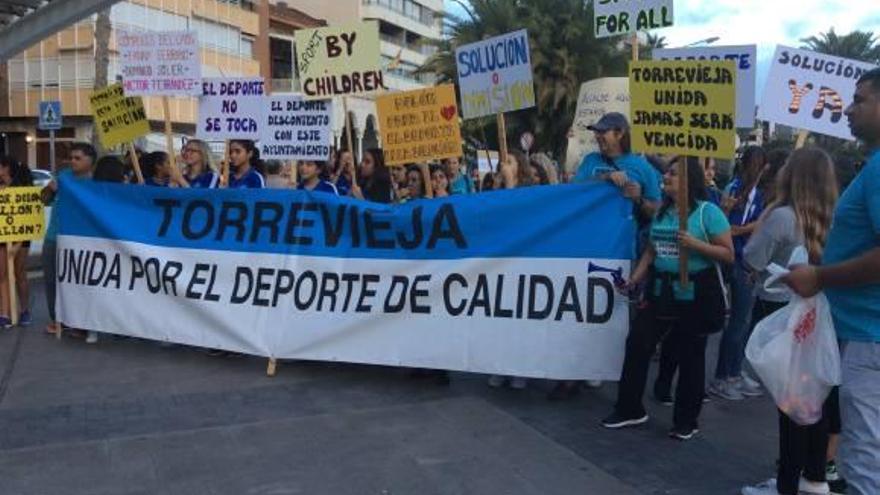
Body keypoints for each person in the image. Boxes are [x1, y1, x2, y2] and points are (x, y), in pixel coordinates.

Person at [785, 68, 880, 495]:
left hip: (868, 337)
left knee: (865, 457)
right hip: (862, 331)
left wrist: (819, 276)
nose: (848, 109)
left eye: (860, 100)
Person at [602, 157, 733, 440]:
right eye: (667, 173)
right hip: (661, 290)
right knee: (638, 343)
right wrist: (634, 280)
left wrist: (696, 245)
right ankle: (629, 408)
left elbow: (728, 254)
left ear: (690, 180)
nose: (666, 177)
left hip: (696, 291)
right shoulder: (663, 210)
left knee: (690, 355)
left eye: (673, 173)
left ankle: (687, 420)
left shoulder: (707, 213)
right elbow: (651, 250)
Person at [741, 148, 839, 495]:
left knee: (790, 406)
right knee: (816, 402)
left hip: (781, 314)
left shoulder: (782, 216)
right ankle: (813, 478)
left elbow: (752, 257)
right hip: (822, 319)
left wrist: (767, 213)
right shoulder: (835, 216)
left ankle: (786, 485)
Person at [710, 145, 769, 401]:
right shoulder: (745, 190)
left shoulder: (740, 187)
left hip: (741, 258)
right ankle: (724, 376)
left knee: (741, 321)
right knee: (739, 321)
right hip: (741, 260)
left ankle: (733, 371)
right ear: (763, 166)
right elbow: (754, 223)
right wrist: (741, 230)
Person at [41, 143, 96, 338]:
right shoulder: (63, 177)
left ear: (90, 160)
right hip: (54, 237)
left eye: (78, 158)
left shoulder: (96, 183)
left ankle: (81, 323)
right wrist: (50, 189)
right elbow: (44, 199)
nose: (73, 161)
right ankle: (58, 320)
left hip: (81, 241)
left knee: (79, 282)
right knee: (52, 280)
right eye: (71, 157)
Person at [573, 112, 661, 222]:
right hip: (591, 232)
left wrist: (639, 199)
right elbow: (573, 193)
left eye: (602, 131)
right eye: (596, 132)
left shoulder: (643, 166)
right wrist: (605, 177)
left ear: (619, 134)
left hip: (623, 237)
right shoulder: (590, 160)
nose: (597, 136)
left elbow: (657, 210)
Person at [0, 156, 34, 328]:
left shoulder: (21, 188)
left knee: (20, 273)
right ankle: (5, 314)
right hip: (2, 236)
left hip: (21, 236)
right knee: (2, 275)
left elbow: (28, 218)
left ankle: (24, 310)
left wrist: (18, 244)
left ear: (6, 168)